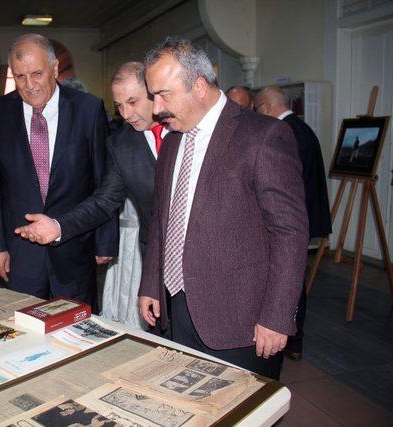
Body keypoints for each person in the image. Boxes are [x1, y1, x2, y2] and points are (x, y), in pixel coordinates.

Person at [138, 37, 309, 380]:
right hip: (178, 306)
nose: (156, 109)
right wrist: (152, 283)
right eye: (153, 95)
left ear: (199, 86)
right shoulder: (172, 141)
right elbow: (161, 219)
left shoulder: (263, 136)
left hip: (242, 319)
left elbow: (290, 233)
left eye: (163, 94)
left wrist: (276, 316)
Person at [14, 62, 180, 329]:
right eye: (119, 106)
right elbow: (104, 201)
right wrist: (58, 226)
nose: (126, 113)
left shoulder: (185, 130)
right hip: (158, 262)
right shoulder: (122, 144)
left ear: (154, 94)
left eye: (133, 102)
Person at [0, 34, 118, 306]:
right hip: (19, 250)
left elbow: (104, 177)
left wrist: (105, 240)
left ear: (54, 69)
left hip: (75, 244)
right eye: (19, 77)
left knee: (76, 330)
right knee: (22, 328)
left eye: (37, 74)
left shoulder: (88, 109)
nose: (29, 85)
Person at [255, 85, 332, 361]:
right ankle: (294, 338)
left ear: (265, 108)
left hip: (293, 223)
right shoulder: (303, 128)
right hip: (308, 216)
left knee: (291, 281)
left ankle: (293, 338)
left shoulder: (281, 132)